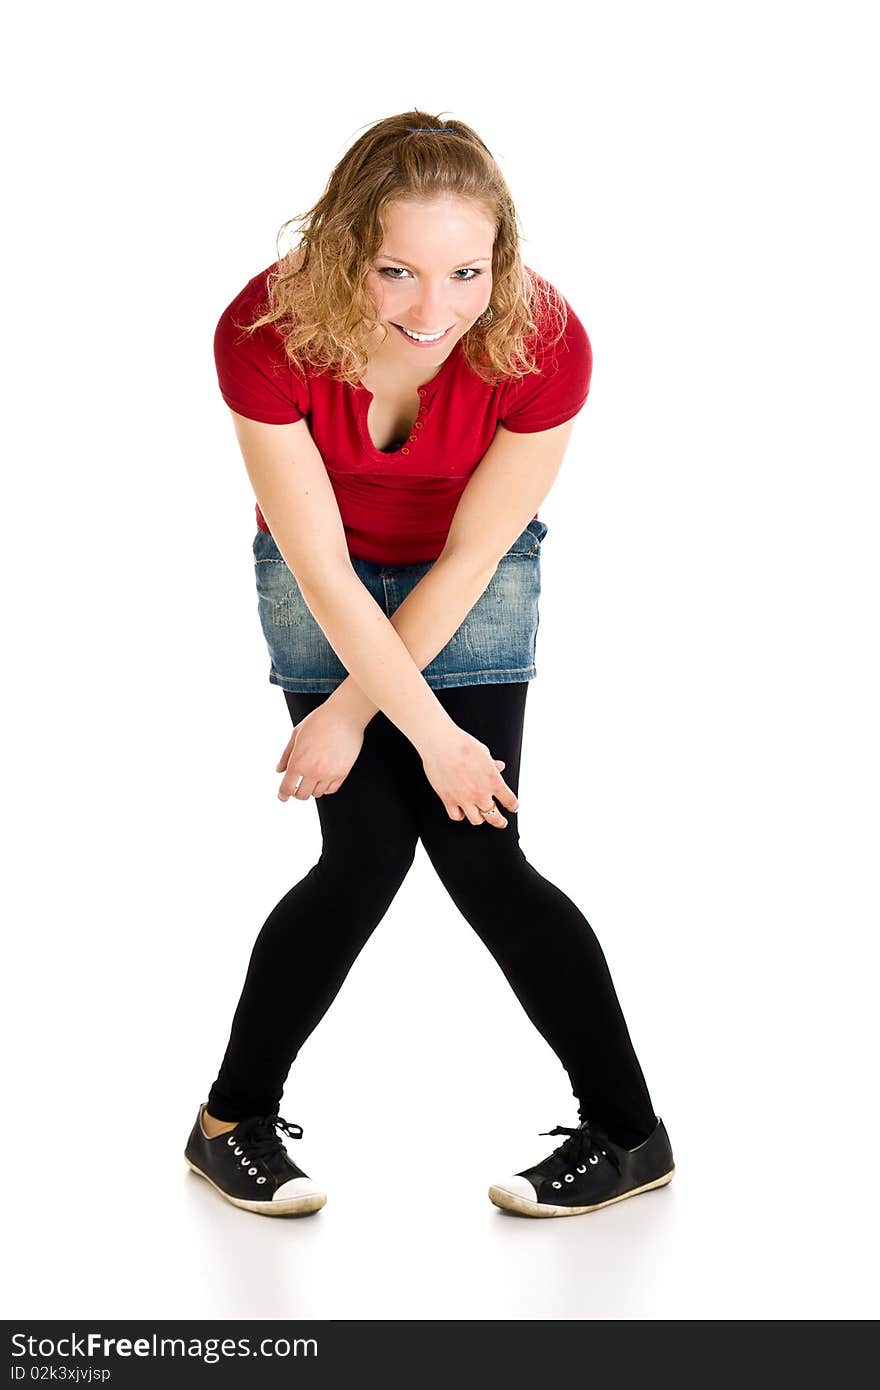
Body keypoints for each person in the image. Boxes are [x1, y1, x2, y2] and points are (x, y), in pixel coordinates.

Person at [184, 110, 675, 1220]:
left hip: (474, 573)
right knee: (359, 864)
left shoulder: (545, 338)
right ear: (341, 244)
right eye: (395, 270)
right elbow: (316, 563)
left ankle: (628, 1132)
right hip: (329, 577)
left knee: (483, 856)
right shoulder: (264, 330)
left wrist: (380, 719)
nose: (432, 311)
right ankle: (229, 1124)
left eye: (465, 272)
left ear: (500, 259)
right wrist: (394, 719)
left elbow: (470, 558)